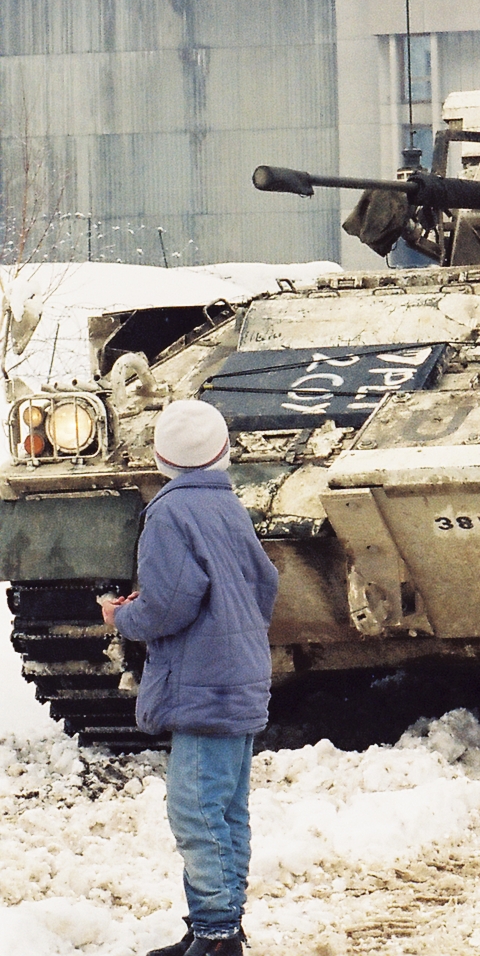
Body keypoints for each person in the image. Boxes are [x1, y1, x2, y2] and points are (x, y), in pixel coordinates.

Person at [103, 401, 280, 956]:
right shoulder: (226, 506)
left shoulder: (168, 512)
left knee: (195, 812)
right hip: (238, 672)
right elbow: (263, 582)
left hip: (204, 683)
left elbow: (170, 606)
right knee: (226, 810)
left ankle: (217, 935)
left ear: (160, 458)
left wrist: (123, 615)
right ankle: (220, 923)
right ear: (222, 452)